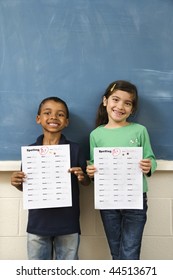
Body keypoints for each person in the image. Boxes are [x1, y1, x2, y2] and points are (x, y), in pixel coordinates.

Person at [11, 96, 90, 260]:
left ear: (66, 122)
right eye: (47, 113)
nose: (54, 117)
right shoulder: (30, 152)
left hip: (68, 223)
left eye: (60, 114)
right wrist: (16, 183)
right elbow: (25, 186)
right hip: (38, 224)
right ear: (38, 119)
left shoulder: (75, 150)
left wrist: (82, 177)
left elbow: (86, 182)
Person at [86, 80, 157, 260]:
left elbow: (150, 158)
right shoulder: (96, 134)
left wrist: (149, 165)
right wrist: (91, 171)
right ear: (105, 101)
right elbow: (94, 163)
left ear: (132, 109)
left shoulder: (139, 131)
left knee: (130, 251)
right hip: (108, 200)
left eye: (127, 103)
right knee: (115, 251)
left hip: (135, 199)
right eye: (115, 100)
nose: (120, 106)